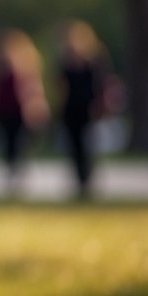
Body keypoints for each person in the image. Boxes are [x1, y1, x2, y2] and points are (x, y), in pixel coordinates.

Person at [0, 29, 49, 192]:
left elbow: (33, 92)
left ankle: (18, 176)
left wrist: (35, 109)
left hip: (20, 113)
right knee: (8, 145)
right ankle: (11, 175)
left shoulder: (25, 68)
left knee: (19, 145)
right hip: (4, 113)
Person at [58, 20, 108, 198]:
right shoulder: (65, 62)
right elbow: (61, 87)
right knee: (74, 146)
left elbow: (101, 85)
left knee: (88, 145)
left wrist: (100, 106)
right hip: (71, 109)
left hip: (88, 109)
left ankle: (88, 180)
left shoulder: (94, 62)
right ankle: (79, 180)